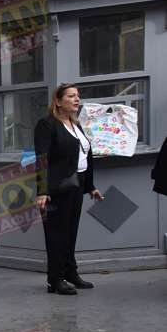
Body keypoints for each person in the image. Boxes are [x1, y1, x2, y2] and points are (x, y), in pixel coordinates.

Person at [34, 83, 104, 295]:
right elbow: (42, 159)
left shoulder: (75, 124)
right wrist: (42, 191)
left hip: (76, 185)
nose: (77, 99)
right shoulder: (47, 124)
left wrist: (90, 186)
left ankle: (70, 273)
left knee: (70, 231)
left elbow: (84, 156)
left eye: (78, 96)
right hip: (56, 188)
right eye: (71, 96)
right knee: (56, 234)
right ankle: (55, 280)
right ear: (58, 101)